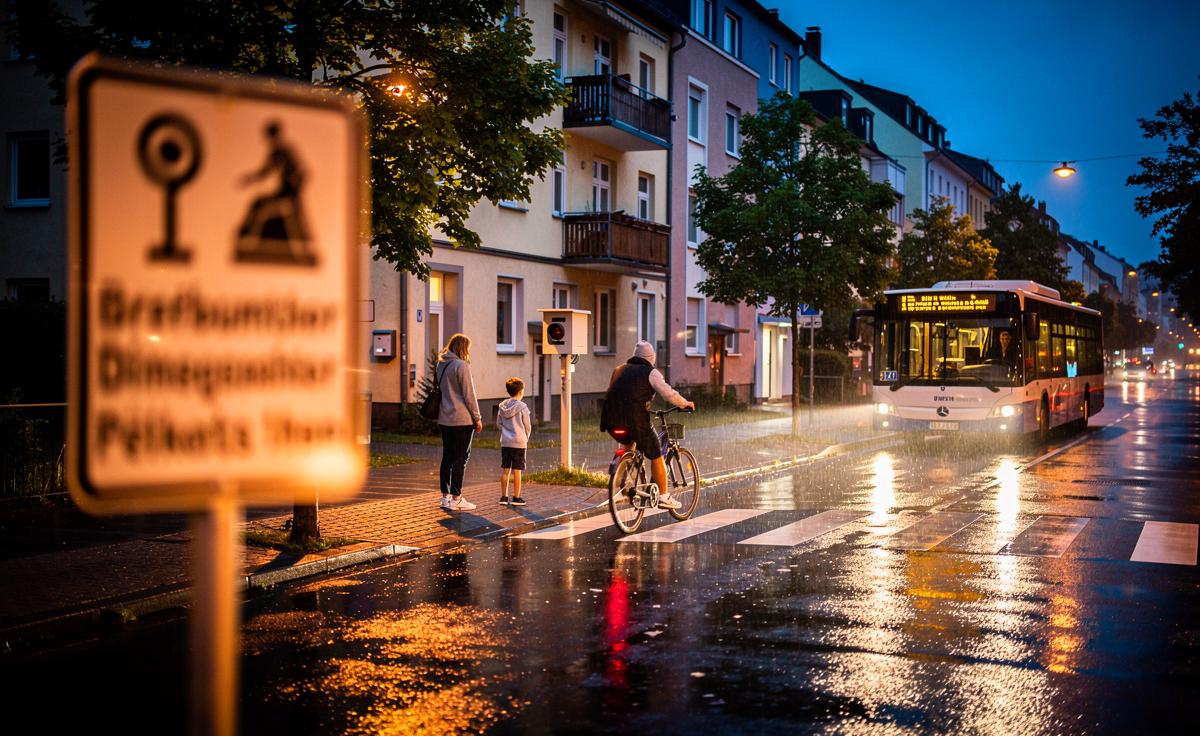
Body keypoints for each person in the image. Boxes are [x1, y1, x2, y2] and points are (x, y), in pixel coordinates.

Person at [599, 341, 695, 510]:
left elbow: (617, 392)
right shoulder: (651, 373)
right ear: (652, 358)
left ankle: (623, 482)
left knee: (628, 443)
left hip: (611, 419)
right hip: (635, 420)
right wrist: (684, 403)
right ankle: (664, 496)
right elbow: (669, 394)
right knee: (656, 453)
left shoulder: (619, 370)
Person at [436, 333, 483, 511]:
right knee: (460, 458)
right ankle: (457, 498)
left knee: (447, 456)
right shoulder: (461, 365)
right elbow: (468, 394)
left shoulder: (440, 364)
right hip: (462, 419)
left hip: (444, 417)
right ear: (463, 348)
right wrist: (477, 418)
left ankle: (445, 496)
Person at [496, 377, 532, 506]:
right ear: (521, 391)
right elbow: (527, 425)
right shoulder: (522, 407)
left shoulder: (502, 406)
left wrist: (506, 432)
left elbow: (499, 424)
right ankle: (516, 497)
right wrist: (525, 437)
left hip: (505, 442)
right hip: (519, 442)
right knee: (517, 470)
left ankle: (504, 497)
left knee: (506, 470)